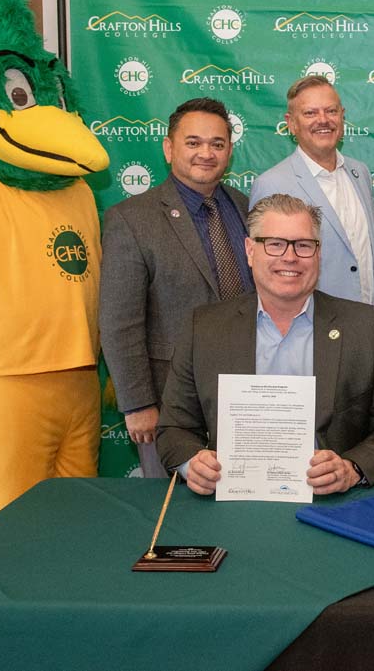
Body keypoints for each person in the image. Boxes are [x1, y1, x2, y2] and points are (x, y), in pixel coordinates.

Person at [156, 193, 374, 495]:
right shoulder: (204, 328)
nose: (290, 257)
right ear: (250, 251)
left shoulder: (366, 328)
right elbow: (173, 429)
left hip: (332, 508)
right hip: (232, 502)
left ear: (319, 254)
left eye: (303, 245)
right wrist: (193, 464)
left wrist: (351, 468)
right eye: (275, 244)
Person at [99, 97, 252, 477]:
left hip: (247, 397)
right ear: (169, 148)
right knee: (173, 518)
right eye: (193, 142)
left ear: (230, 152)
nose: (206, 153)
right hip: (170, 406)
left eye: (217, 144)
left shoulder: (247, 208)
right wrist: (137, 405)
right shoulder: (131, 219)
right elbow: (120, 322)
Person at [250, 76, 374, 303]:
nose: (323, 120)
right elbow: (266, 270)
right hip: (311, 324)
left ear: (342, 115)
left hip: (367, 320)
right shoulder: (271, 184)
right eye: (310, 113)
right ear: (291, 123)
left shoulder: (361, 173)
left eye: (331, 111)